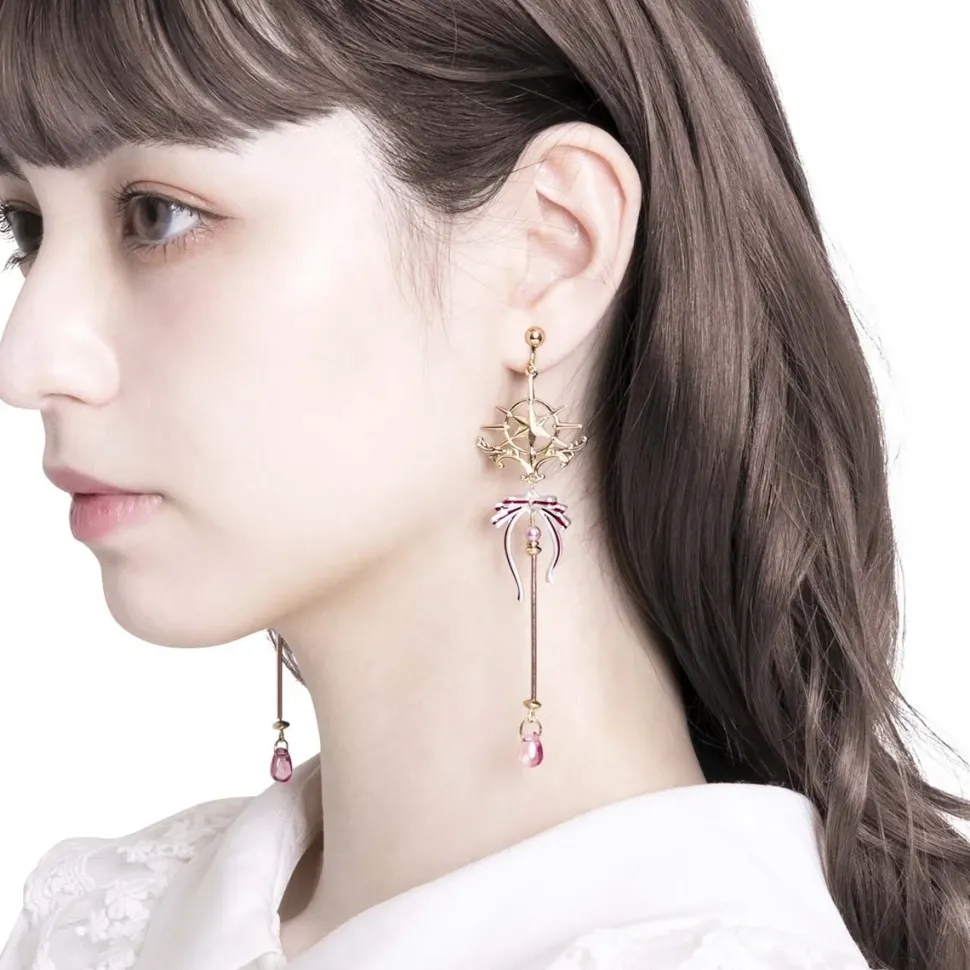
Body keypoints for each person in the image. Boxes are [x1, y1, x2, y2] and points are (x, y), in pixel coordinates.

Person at [0, 0, 967, 968]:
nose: (27, 358)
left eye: (157, 216)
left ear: (550, 247)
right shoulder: (95, 925)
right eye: (26, 227)